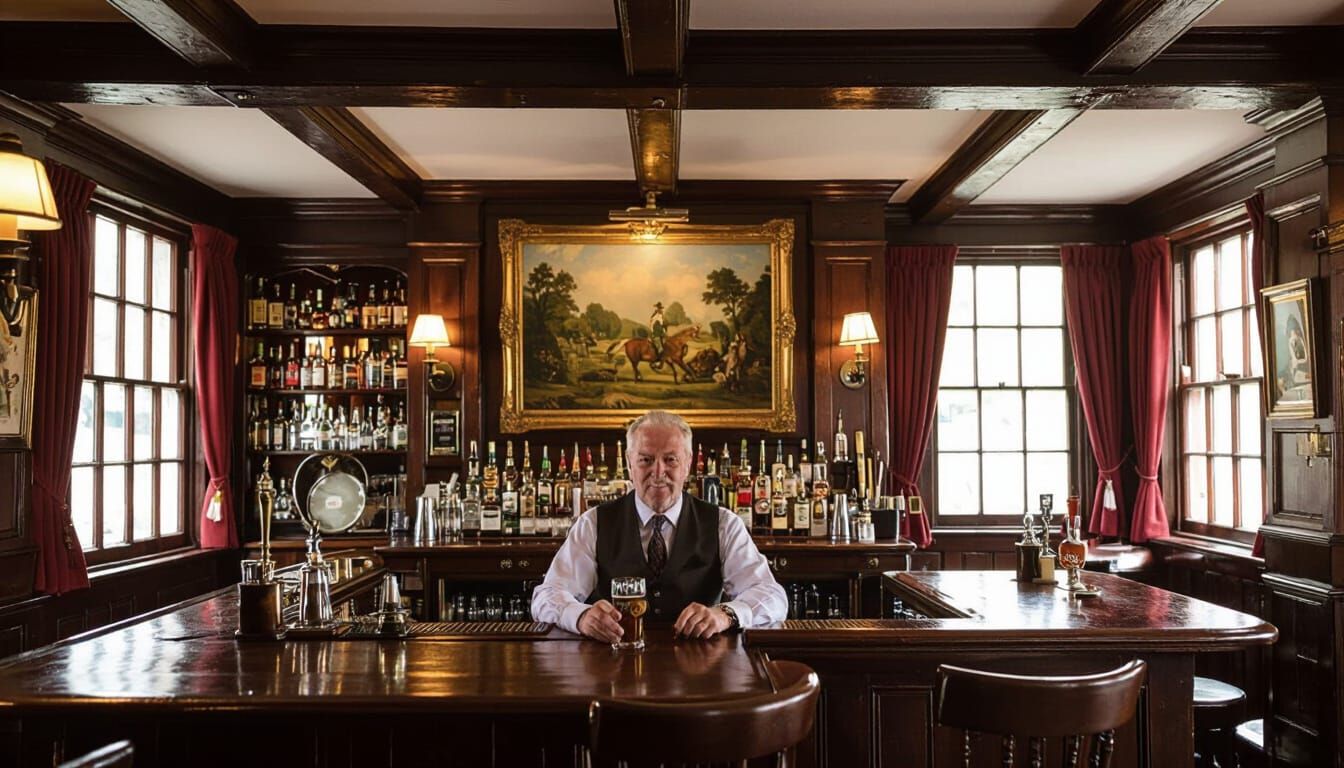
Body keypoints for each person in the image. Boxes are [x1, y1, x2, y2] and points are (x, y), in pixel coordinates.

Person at [531, 410, 787, 641]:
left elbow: (773, 596)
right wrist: (581, 617)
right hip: (612, 669)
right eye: (646, 460)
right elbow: (546, 596)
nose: (658, 471)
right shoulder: (594, 523)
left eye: (670, 460)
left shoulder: (723, 524)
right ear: (630, 464)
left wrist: (726, 615)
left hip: (700, 674)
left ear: (687, 464)